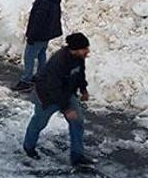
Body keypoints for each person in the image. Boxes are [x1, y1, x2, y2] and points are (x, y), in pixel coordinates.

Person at [22, 33, 94, 167]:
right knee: (39, 123)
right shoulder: (58, 61)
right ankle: (29, 147)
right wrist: (66, 109)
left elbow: (80, 74)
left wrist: (83, 89)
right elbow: (53, 87)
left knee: (77, 122)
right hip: (46, 96)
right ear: (75, 49)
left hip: (66, 93)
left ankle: (77, 156)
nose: (88, 51)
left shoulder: (79, 58)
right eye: (85, 48)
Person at [12, 0, 63, 92]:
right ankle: (41, 76)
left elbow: (38, 21)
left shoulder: (44, 1)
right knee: (41, 55)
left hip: (39, 34)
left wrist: (32, 36)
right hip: (47, 34)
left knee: (29, 57)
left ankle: (26, 81)